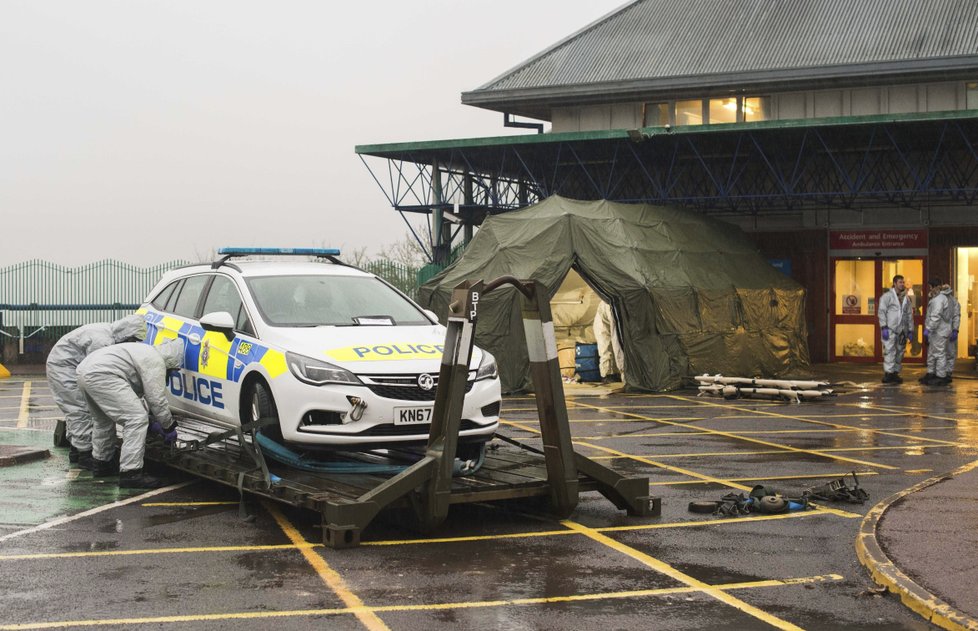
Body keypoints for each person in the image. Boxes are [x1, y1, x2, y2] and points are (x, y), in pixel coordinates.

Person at [76, 339, 184, 488]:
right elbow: (156, 399)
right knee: (136, 420)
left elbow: (133, 398)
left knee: (103, 420)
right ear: (171, 362)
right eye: (172, 371)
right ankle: (131, 473)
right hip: (102, 374)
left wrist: (153, 421)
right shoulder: (156, 361)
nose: (170, 374)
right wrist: (168, 427)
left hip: (85, 370)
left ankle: (102, 464)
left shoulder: (143, 351)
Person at [45, 315, 148, 468]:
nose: (132, 343)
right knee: (80, 410)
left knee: (82, 410)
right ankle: (84, 455)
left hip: (70, 365)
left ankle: (77, 449)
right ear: (126, 334)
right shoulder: (103, 341)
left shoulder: (109, 333)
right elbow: (99, 372)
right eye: (132, 339)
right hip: (64, 369)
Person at [877, 275, 914, 384]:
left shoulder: (906, 299)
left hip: (902, 330)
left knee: (900, 352)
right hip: (890, 329)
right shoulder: (887, 297)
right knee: (889, 351)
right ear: (894, 283)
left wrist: (911, 330)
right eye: (900, 282)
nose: (902, 284)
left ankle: (895, 373)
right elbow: (881, 312)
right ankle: (888, 373)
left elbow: (909, 315)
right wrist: (883, 326)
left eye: (903, 282)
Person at [920, 277, 954, 386]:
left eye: (930, 287)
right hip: (938, 331)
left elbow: (935, 316)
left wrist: (928, 329)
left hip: (939, 331)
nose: (930, 289)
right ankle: (932, 373)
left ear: (935, 287)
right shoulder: (941, 298)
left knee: (939, 354)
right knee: (933, 353)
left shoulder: (939, 299)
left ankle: (940, 376)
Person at [593, 300, 625, 384]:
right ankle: (610, 374)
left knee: (615, 341)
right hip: (607, 303)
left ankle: (616, 373)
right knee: (607, 341)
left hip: (612, 302)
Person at [945, 287, 962, 382]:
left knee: (950, 353)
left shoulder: (953, 302)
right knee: (941, 353)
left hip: (949, 331)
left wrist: (955, 329)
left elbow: (956, 316)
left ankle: (947, 373)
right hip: (944, 331)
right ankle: (942, 373)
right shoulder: (939, 300)